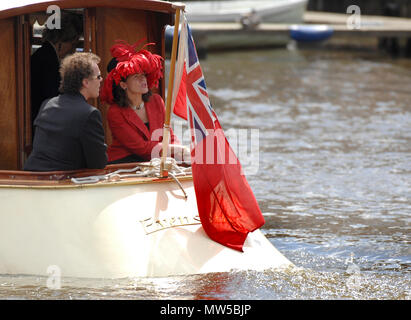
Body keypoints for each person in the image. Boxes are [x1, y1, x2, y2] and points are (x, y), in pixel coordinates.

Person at [100, 40, 189, 164]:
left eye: (143, 74)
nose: (143, 79)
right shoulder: (115, 112)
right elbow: (141, 148)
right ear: (123, 85)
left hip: (156, 162)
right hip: (123, 165)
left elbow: (170, 137)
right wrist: (176, 149)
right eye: (136, 76)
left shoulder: (156, 101)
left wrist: (183, 153)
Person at [24, 52, 107, 171]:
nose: (101, 80)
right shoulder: (90, 114)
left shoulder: (47, 104)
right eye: (98, 77)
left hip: (31, 178)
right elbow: (98, 163)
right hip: (61, 184)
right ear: (86, 82)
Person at [30, 12, 83, 135]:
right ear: (62, 40)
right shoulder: (48, 60)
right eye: (73, 44)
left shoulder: (43, 55)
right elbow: (51, 94)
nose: (73, 49)